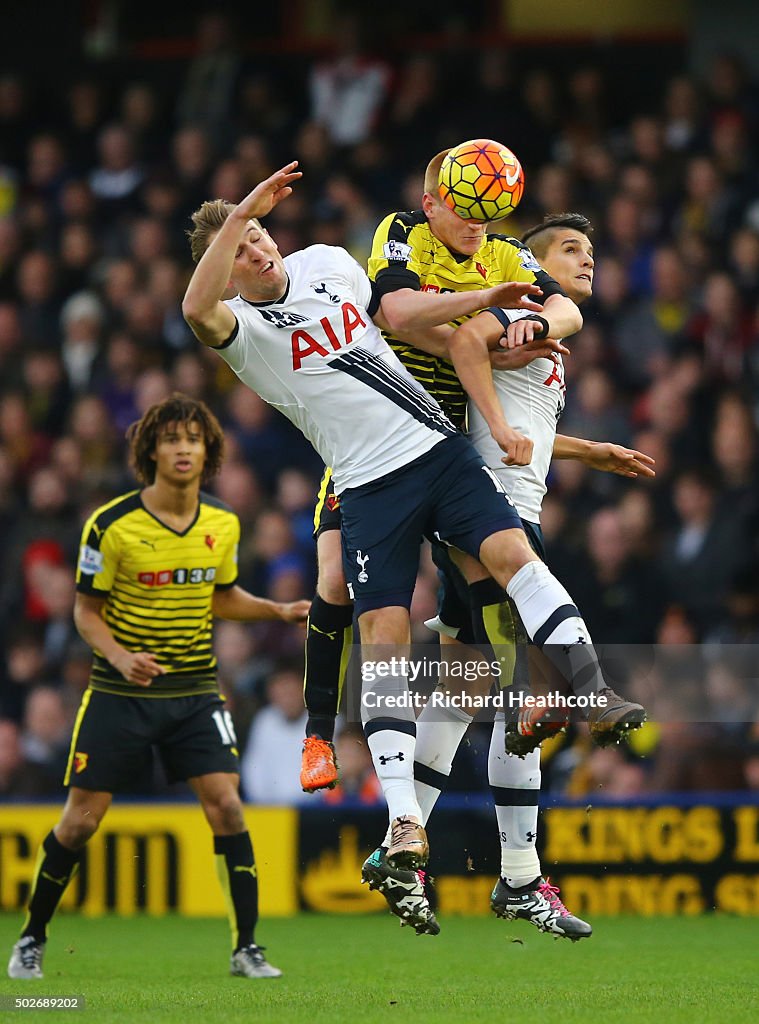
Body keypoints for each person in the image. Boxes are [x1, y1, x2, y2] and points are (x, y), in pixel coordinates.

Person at [181, 163, 640, 899]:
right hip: (366, 484)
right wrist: (236, 214)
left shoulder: (328, 262)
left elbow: (406, 321)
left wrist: (490, 328)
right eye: (242, 245)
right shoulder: (241, 329)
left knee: (512, 563)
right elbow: (194, 307)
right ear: (226, 266)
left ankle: (591, 692)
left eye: (262, 234)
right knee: (384, 637)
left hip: (439, 449)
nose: (259, 249)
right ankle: (399, 819)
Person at [383, 213, 655, 940]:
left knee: (464, 690)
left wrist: (583, 449)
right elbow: (474, 346)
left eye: (592, 250)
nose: (587, 260)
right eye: (571, 249)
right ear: (532, 263)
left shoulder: (545, 329)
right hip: (491, 513)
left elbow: (501, 395)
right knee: (515, 702)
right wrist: (502, 434)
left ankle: (412, 849)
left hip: (497, 503)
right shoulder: (527, 308)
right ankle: (515, 872)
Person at [299, 145, 584, 796]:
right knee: (337, 579)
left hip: (443, 449)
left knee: (489, 578)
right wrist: (480, 324)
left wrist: (523, 319)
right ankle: (318, 732)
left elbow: (563, 309)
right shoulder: (401, 234)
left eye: (485, 211)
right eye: (461, 208)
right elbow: (392, 314)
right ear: (431, 203)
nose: (474, 222)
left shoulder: (509, 252)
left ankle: (523, 707)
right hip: (372, 440)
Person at [8, 394, 310, 982]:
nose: (183, 449)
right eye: (172, 439)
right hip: (120, 693)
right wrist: (121, 658)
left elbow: (221, 596)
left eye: (194, 440)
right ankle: (31, 938)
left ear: (208, 452)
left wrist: (276, 611)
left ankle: (247, 947)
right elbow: (85, 611)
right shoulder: (111, 524)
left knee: (226, 806)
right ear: (150, 449)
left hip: (195, 688)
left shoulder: (222, 522)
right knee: (80, 822)